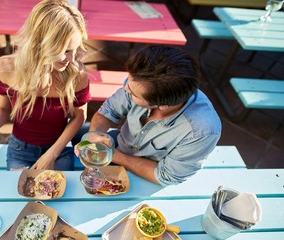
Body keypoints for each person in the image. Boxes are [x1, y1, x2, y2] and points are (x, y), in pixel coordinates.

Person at [0, 0, 91, 171]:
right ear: (40, 43)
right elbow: (2, 109)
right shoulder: (6, 69)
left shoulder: (77, 74)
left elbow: (79, 117)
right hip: (20, 150)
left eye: (75, 49)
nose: (72, 59)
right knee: (23, 193)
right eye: (65, 51)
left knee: (55, 195)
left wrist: (51, 154)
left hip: (58, 149)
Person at [84, 45, 222, 186]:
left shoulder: (202, 131)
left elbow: (166, 176)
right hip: (118, 146)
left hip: (149, 179)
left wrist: (112, 155)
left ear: (163, 106)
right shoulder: (139, 82)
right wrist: (94, 135)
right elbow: (109, 111)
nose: (126, 89)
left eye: (132, 93)